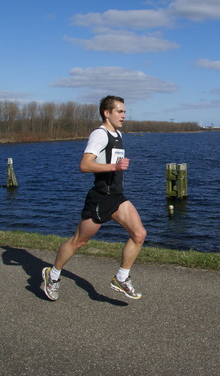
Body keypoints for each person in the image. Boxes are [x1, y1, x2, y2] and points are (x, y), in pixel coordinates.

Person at [41, 95, 147, 300]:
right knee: (78, 242)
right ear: (107, 113)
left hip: (116, 197)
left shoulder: (117, 134)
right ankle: (52, 275)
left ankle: (121, 278)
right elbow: (85, 165)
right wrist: (114, 166)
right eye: (120, 111)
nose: (124, 115)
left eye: (124, 111)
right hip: (100, 198)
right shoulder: (100, 135)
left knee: (139, 234)